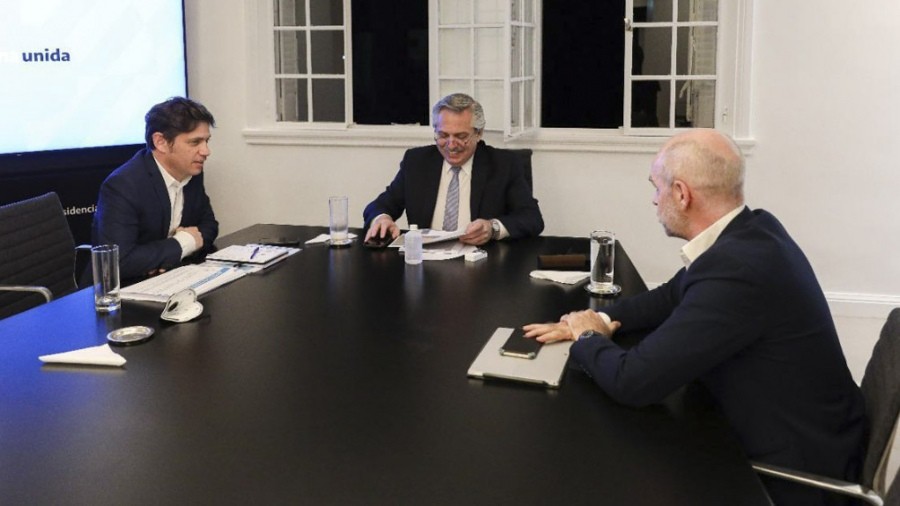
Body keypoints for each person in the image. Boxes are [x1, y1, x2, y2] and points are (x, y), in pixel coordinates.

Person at [524, 129, 866, 505]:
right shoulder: (753, 230)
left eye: (656, 188)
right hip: (797, 431)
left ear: (681, 194)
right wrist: (601, 319)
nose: (654, 200)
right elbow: (671, 295)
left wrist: (587, 336)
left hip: (793, 472)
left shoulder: (738, 270)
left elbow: (633, 381)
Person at [363, 93, 543, 246]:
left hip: (481, 264)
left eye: (461, 136)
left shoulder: (503, 164)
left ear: (478, 133)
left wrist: (492, 228)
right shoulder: (417, 162)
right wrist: (382, 218)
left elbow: (532, 218)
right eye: (443, 135)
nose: (451, 145)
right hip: (425, 262)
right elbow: (379, 206)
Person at [92, 97, 218, 285]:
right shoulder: (123, 185)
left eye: (206, 141)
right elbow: (118, 261)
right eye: (195, 142)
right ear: (161, 142)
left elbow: (209, 226)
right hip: (118, 291)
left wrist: (164, 257)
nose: (206, 151)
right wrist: (183, 243)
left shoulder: (191, 171)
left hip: (167, 279)